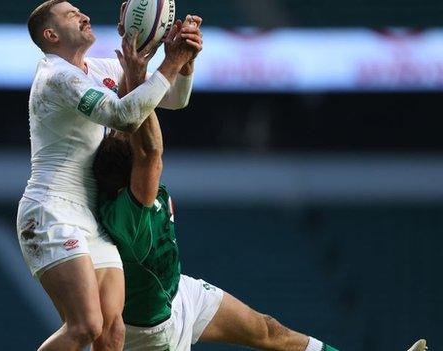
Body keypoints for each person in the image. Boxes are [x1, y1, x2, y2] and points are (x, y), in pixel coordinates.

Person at [92, 39, 428, 351]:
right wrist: (162, 65)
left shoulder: (125, 183)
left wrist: (164, 70)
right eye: (129, 142)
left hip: (178, 291)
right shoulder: (131, 207)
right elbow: (150, 148)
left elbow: (132, 121)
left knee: (268, 330)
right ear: (130, 174)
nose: (132, 134)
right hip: (153, 330)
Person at [16, 1, 203, 350]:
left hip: (91, 214)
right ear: (51, 34)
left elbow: (173, 98)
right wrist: (170, 62)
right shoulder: (56, 76)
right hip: (51, 209)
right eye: (72, 15)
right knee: (85, 326)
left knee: (113, 331)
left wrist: (185, 61)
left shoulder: (97, 68)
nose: (84, 16)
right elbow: (125, 116)